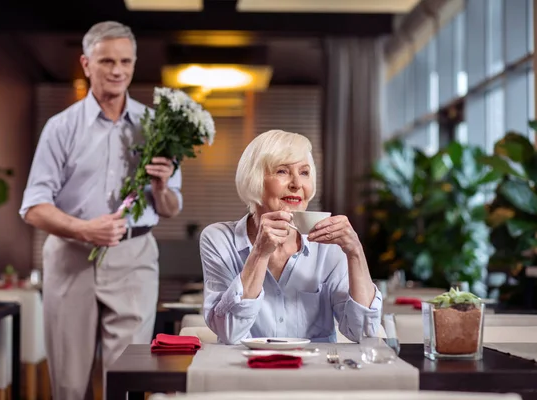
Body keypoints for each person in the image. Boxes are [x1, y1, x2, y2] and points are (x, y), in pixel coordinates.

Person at [19, 21, 182, 400]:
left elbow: (171, 207)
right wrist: (82, 230)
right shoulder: (60, 128)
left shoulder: (156, 127)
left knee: (126, 380)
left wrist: (161, 186)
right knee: (70, 383)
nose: (117, 70)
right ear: (86, 64)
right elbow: (33, 207)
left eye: (126, 61)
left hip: (135, 258)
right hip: (70, 257)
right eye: (106, 60)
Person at [199, 129, 381, 344]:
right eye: (283, 171)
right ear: (254, 178)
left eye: (304, 173)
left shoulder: (330, 243)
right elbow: (229, 332)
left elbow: (363, 333)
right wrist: (259, 253)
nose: (297, 184)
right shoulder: (218, 238)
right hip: (247, 370)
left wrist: (355, 253)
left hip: (314, 372)